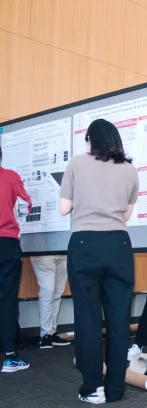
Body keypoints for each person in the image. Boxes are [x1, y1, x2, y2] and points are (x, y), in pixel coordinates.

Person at [59, 119, 138, 403]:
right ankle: (116, 389)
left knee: (88, 319)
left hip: (85, 244)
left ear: (91, 139)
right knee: (119, 320)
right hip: (119, 245)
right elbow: (126, 215)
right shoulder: (129, 169)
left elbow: (63, 208)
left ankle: (93, 389)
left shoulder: (76, 165)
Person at [0, 145, 32, 374]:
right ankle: (10, 356)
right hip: (7, 244)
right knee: (7, 299)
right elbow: (26, 205)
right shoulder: (10, 177)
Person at [29, 255, 72, 349]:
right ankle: (45, 335)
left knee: (57, 293)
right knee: (47, 292)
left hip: (62, 251)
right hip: (41, 251)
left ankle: (52, 333)